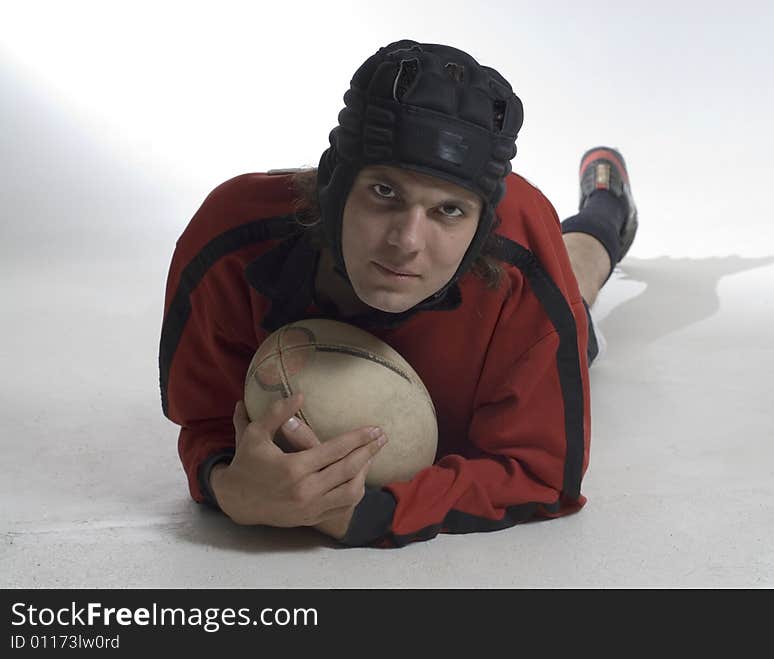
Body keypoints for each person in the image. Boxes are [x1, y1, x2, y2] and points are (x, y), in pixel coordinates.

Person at [159, 39, 638, 547]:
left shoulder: (518, 258)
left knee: (576, 276)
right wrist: (229, 485)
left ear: (481, 228)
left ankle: (605, 208)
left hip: (517, 287)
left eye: (449, 211)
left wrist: (368, 513)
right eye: (384, 193)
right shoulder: (232, 239)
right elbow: (208, 421)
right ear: (335, 187)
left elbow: (542, 474)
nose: (406, 243)